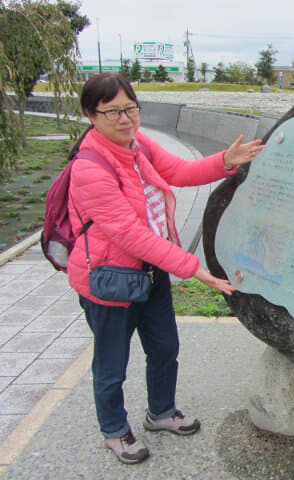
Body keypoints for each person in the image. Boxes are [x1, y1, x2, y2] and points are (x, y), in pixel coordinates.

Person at [67, 73, 263, 464]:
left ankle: (160, 412)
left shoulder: (137, 146)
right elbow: (130, 235)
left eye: (130, 109)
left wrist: (226, 160)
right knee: (111, 364)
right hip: (111, 281)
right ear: (91, 114)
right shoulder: (90, 169)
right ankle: (114, 430)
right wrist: (194, 268)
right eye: (112, 112)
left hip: (152, 272)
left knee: (164, 348)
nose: (125, 119)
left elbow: (178, 171)